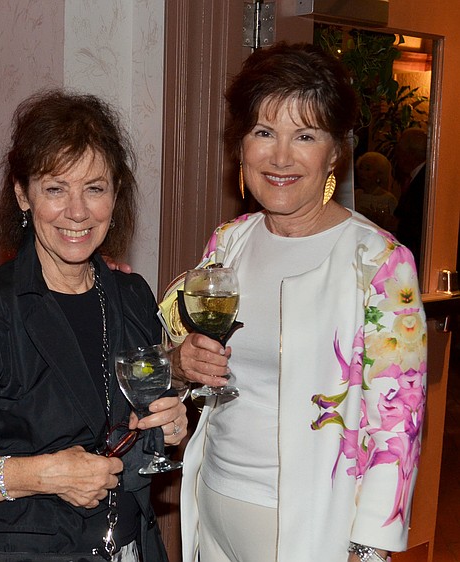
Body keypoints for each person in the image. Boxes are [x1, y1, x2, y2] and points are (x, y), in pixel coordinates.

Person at [160, 43, 426, 562]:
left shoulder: (379, 262)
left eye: (304, 135)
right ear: (241, 144)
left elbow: (398, 424)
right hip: (212, 508)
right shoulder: (227, 243)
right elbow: (180, 353)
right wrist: (181, 364)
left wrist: (368, 549)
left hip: (310, 526)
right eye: (264, 132)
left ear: (335, 151)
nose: (281, 157)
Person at [0, 90, 187, 561]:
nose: (77, 211)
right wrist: (45, 474)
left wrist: (167, 428)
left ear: (115, 195)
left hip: (128, 546)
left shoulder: (133, 295)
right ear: (23, 195)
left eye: (94, 188)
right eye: (56, 188)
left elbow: (132, 438)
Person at [392, 127, 429, 268]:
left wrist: (397, 225)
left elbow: (420, 223)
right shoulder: (417, 177)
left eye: (399, 150)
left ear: (409, 153)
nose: (397, 156)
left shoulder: (424, 181)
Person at [354, 152, 398, 231]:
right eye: (360, 168)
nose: (362, 173)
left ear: (379, 174)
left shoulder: (388, 199)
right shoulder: (355, 194)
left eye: (368, 169)